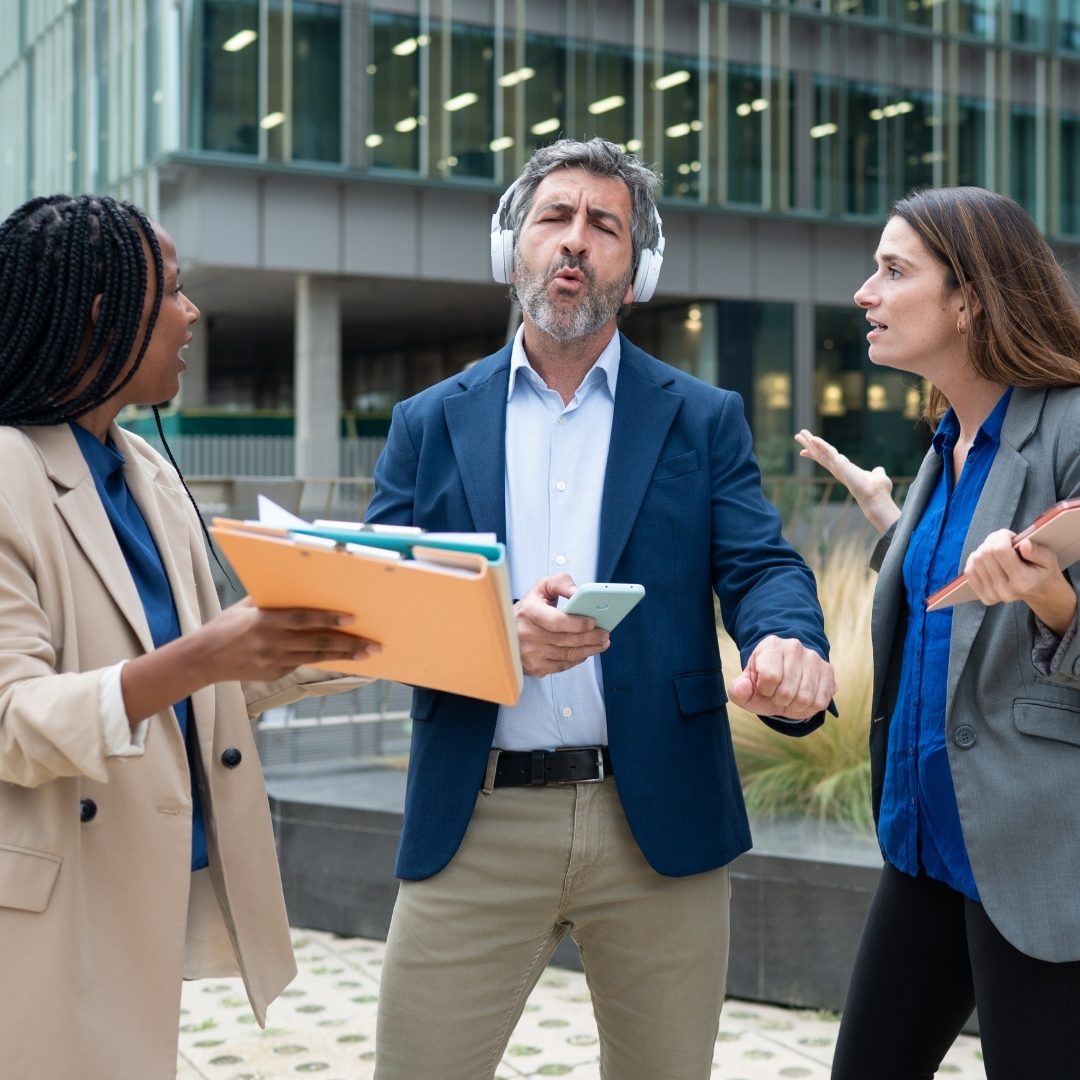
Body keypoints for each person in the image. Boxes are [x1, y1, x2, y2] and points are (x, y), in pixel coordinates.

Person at [365, 137, 837, 1080]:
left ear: (640, 266)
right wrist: (498, 636)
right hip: (476, 819)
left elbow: (758, 563)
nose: (574, 242)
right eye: (554, 217)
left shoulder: (703, 417)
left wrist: (788, 638)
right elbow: (384, 607)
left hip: (657, 818)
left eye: (604, 225)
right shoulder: (428, 422)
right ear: (513, 248)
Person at [0, 194, 378, 1079]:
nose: (192, 312)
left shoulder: (149, 475)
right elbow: (12, 720)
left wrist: (383, 629)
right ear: (103, 314)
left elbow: (208, 684)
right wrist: (204, 655)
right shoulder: (6, 471)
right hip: (41, 919)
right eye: (171, 289)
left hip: (139, 891)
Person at [795, 185, 1080, 1080]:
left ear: (970, 298)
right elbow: (953, 614)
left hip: (1035, 852)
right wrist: (893, 527)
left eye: (891, 271)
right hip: (924, 842)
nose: (864, 294)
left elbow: (1041, 603)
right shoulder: (945, 441)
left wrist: (1053, 601)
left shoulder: (1070, 427)